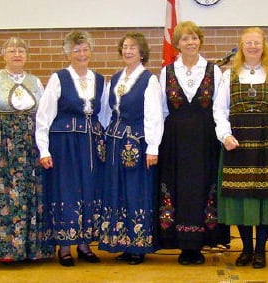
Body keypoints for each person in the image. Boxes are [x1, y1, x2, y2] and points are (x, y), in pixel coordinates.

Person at [0, 37, 53, 263]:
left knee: (27, 193)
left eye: (21, 50)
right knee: (1, 195)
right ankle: (4, 249)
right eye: (12, 50)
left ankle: (29, 248)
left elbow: (44, 116)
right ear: (4, 55)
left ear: (27, 56)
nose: (17, 54)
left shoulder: (35, 82)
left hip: (28, 148)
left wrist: (44, 147)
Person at [214, 27, 268, 269]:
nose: (252, 46)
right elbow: (219, 110)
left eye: (256, 42)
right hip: (237, 143)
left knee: (265, 198)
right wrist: (225, 135)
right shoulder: (228, 76)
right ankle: (246, 249)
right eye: (248, 43)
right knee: (240, 198)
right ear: (241, 47)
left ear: (263, 46)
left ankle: (260, 250)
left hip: (266, 141)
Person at [157, 21, 230, 265]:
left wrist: (223, 136)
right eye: (185, 39)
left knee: (203, 186)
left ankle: (199, 243)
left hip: (205, 139)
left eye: (194, 38)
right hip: (175, 141)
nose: (190, 42)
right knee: (178, 187)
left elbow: (220, 109)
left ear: (200, 41)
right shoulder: (166, 72)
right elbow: (161, 110)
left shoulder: (214, 71)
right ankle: (182, 244)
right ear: (177, 44)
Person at [36, 31, 106, 267]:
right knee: (66, 190)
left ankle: (84, 244)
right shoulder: (59, 78)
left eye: (85, 49)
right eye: (76, 50)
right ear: (68, 53)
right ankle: (64, 247)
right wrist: (44, 150)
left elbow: (104, 115)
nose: (81, 54)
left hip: (90, 145)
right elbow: (44, 116)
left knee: (89, 190)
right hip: (64, 144)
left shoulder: (99, 80)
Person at [98, 32, 163, 265]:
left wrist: (153, 147)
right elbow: (107, 112)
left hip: (137, 143)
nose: (128, 51)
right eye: (125, 47)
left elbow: (155, 115)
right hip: (115, 142)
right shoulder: (116, 78)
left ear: (142, 52)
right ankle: (122, 243)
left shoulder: (149, 80)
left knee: (136, 192)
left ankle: (138, 246)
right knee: (118, 192)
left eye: (132, 47)